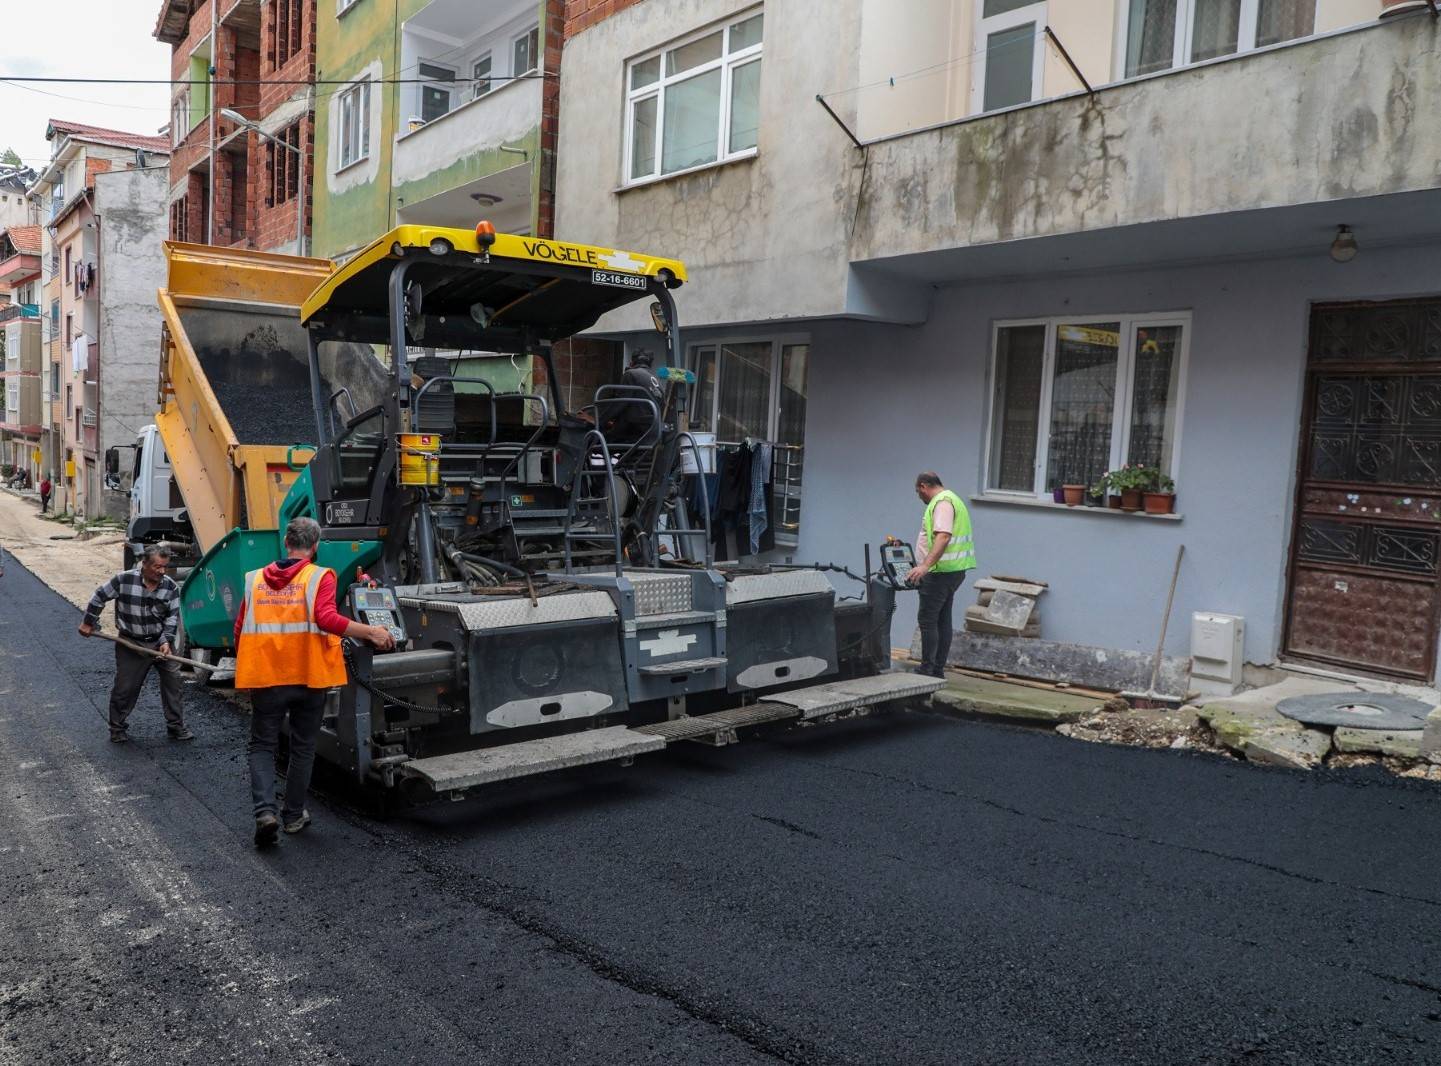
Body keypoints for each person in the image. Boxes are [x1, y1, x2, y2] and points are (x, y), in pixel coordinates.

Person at [234, 516, 395, 847]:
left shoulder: (253, 581)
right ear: (315, 546)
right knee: (303, 746)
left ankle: (265, 813)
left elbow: (240, 630)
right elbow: (326, 618)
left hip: (266, 678)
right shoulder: (319, 576)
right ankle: (293, 816)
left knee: (262, 746)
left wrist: (247, 669)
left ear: (286, 543)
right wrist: (371, 632)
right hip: (309, 677)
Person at [79, 545, 190, 743]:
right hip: (130, 643)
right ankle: (117, 728)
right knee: (125, 688)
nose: (162, 572)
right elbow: (99, 596)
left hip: (159, 642)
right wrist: (89, 622)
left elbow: (172, 618)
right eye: (157, 567)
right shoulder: (124, 580)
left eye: (165, 567)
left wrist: (166, 641)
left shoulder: (170, 587)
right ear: (144, 564)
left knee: (174, 684)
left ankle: (176, 727)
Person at [907, 472, 977, 679]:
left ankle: (928, 669)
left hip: (940, 573)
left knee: (928, 620)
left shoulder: (942, 503)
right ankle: (937, 668)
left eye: (918, 493)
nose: (920, 497)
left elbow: (943, 536)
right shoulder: (954, 499)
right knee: (942, 620)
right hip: (952, 571)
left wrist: (924, 566)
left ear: (923, 486)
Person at [606, 348, 664, 441]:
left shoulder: (631, 374)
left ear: (631, 363)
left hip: (634, 432)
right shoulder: (657, 382)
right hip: (651, 432)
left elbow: (619, 404)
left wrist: (598, 420)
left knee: (590, 439)